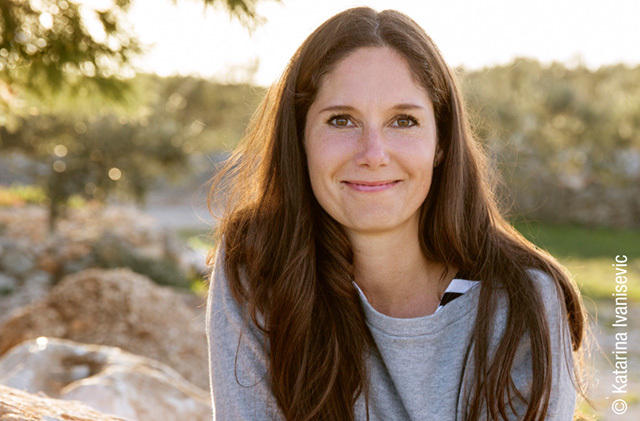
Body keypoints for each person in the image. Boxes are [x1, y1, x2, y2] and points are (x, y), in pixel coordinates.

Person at [206, 7, 587, 421]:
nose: (373, 154)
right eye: (341, 120)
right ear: (300, 139)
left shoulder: (523, 303)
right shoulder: (258, 263)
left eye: (403, 121)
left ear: (441, 142)